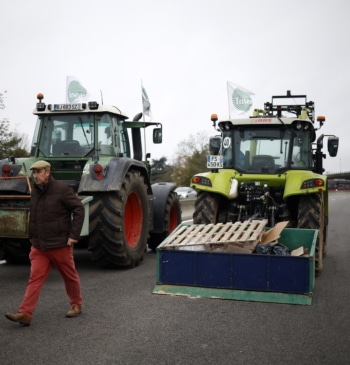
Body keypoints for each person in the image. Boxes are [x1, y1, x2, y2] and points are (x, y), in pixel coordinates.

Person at [5, 160, 85, 326]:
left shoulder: (62, 190)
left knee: (69, 276)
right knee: (34, 278)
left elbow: (79, 209)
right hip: (39, 246)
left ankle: (76, 304)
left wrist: (73, 236)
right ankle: (25, 313)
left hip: (60, 244)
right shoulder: (35, 192)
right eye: (34, 173)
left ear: (47, 172)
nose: (36, 176)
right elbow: (34, 216)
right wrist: (32, 236)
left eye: (39, 172)